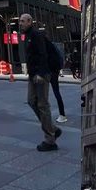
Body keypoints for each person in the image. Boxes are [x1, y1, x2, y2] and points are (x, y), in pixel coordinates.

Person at [20, 13, 60, 151]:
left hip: (41, 75)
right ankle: (53, 128)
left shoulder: (36, 35)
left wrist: (41, 73)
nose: (20, 23)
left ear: (30, 21)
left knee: (43, 104)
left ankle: (50, 140)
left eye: (23, 21)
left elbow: (43, 55)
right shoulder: (28, 36)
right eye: (20, 21)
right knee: (31, 101)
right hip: (33, 75)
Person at [48, 40, 67, 123]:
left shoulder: (45, 47)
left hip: (50, 72)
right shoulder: (53, 46)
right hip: (54, 72)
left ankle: (62, 115)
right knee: (56, 92)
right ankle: (62, 114)